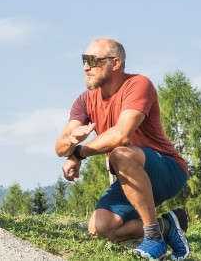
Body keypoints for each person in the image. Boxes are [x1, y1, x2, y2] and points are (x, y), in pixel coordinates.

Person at [55, 37, 190, 260]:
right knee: (100, 229)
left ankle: (154, 238)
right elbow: (60, 146)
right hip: (130, 176)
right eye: (83, 60)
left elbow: (122, 134)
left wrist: (79, 152)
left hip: (167, 169)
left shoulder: (138, 85)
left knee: (120, 153)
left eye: (91, 60)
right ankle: (167, 225)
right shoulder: (85, 100)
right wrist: (70, 144)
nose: (85, 67)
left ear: (115, 63)